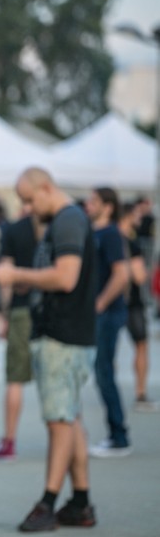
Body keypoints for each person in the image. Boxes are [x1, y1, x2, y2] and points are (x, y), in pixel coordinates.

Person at [0, 167, 98, 532]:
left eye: (28, 199)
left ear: (46, 189)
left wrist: (16, 275)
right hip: (64, 335)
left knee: (60, 422)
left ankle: (48, 503)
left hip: (62, 336)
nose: (25, 208)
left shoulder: (68, 221)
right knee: (69, 418)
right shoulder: (68, 219)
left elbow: (66, 277)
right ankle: (80, 502)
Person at [0, 208, 44, 460]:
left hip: (22, 310)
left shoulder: (14, 229)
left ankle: (9, 441)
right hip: (52, 309)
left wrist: (5, 314)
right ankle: (70, 440)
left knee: (14, 380)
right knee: (58, 380)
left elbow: (6, 278)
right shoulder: (61, 225)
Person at [83, 187, 131, 458]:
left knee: (104, 374)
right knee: (102, 374)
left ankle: (119, 435)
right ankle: (117, 433)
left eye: (94, 201)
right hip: (102, 314)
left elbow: (121, 274)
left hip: (108, 314)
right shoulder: (95, 232)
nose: (89, 205)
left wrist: (100, 304)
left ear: (108, 206)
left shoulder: (111, 234)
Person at [119, 201, 159, 412]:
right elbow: (139, 275)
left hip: (112, 303)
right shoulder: (130, 244)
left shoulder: (107, 237)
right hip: (131, 304)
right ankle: (140, 393)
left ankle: (109, 388)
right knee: (141, 346)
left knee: (106, 352)